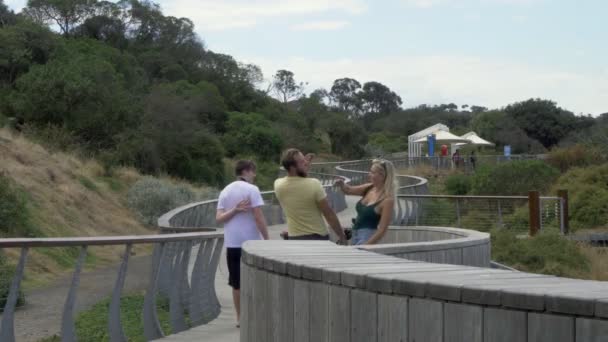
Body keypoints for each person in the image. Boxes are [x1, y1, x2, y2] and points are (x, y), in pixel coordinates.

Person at [216, 160, 269, 327]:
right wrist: (267, 239)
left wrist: (234, 210)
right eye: (253, 172)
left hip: (232, 244)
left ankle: (240, 318)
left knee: (237, 283)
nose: (254, 175)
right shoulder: (252, 190)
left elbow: (219, 219)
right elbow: (258, 217)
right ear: (246, 171)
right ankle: (256, 314)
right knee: (256, 279)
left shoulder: (225, 190)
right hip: (252, 244)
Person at [274, 148, 347, 242]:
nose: (306, 163)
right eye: (302, 161)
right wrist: (341, 235)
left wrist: (302, 166)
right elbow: (329, 214)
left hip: (294, 238)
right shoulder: (314, 184)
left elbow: (299, 181)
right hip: (317, 238)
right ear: (292, 167)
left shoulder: (278, 184)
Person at [334, 159, 396, 245]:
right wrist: (341, 184)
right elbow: (349, 190)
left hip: (367, 236)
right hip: (355, 234)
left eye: (373, 172)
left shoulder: (388, 200)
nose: (369, 175)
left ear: (382, 176)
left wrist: (366, 245)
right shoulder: (369, 188)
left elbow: (382, 230)